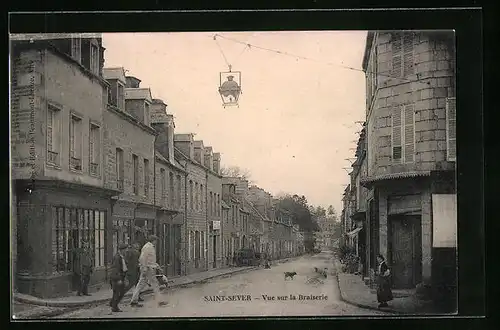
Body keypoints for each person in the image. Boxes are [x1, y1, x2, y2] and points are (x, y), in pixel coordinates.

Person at [130, 235, 166, 307]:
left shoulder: (150, 247)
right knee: (154, 284)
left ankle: (134, 301)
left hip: (149, 268)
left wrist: (158, 267)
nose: (156, 242)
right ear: (153, 240)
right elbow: (142, 258)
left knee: (141, 285)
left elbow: (151, 260)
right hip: (148, 269)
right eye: (156, 240)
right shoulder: (147, 247)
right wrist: (144, 269)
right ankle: (160, 301)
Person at [109, 243, 129, 312]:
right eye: (126, 249)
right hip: (117, 278)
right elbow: (115, 269)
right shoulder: (117, 257)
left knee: (119, 292)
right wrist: (118, 279)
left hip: (121, 277)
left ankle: (112, 303)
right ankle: (114, 307)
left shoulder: (121, 257)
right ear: (122, 250)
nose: (127, 251)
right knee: (119, 293)